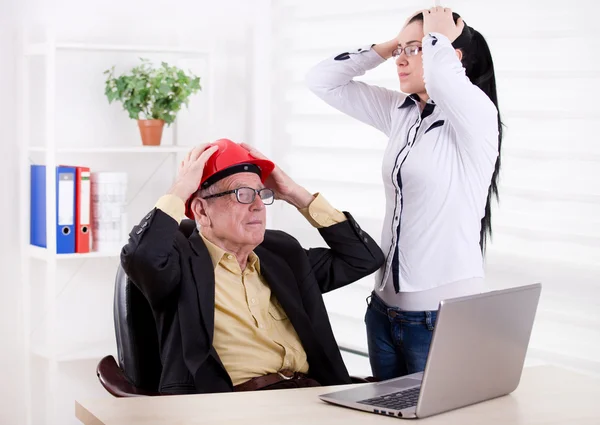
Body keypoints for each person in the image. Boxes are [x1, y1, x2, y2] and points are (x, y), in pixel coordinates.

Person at [306, 6, 502, 380]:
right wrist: (390, 44)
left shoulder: (478, 117)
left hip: (439, 319)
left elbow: (446, 81)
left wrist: (438, 38)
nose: (400, 60)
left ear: (451, 56)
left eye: (415, 49)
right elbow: (322, 80)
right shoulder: (402, 112)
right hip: (382, 313)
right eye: (401, 50)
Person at [120, 138, 385, 394]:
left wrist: (295, 194)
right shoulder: (180, 260)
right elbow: (141, 256)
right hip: (234, 405)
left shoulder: (282, 252)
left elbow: (363, 257)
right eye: (243, 195)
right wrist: (181, 188)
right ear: (201, 211)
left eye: (262, 194)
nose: (259, 205)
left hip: (310, 395)